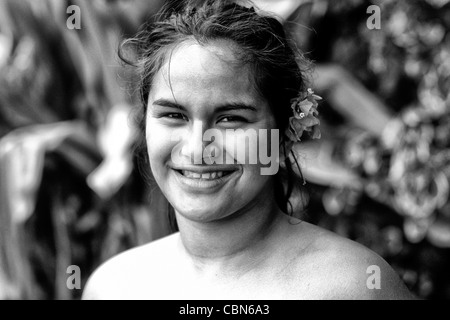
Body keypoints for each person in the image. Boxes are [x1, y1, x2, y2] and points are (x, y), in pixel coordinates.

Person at [82, 0, 414, 300]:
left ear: (284, 133)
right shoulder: (113, 287)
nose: (198, 149)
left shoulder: (354, 286)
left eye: (230, 119)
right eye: (173, 115)